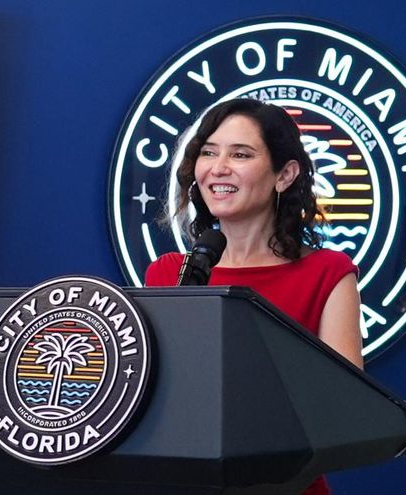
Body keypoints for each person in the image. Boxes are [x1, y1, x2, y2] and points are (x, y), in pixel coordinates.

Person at [145, 98, 363, 495]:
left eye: (240, 154)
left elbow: (343, 412)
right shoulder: (167, 273)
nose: (218, 167)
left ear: (285, 174)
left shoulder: (327, 273)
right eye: (208, 152)